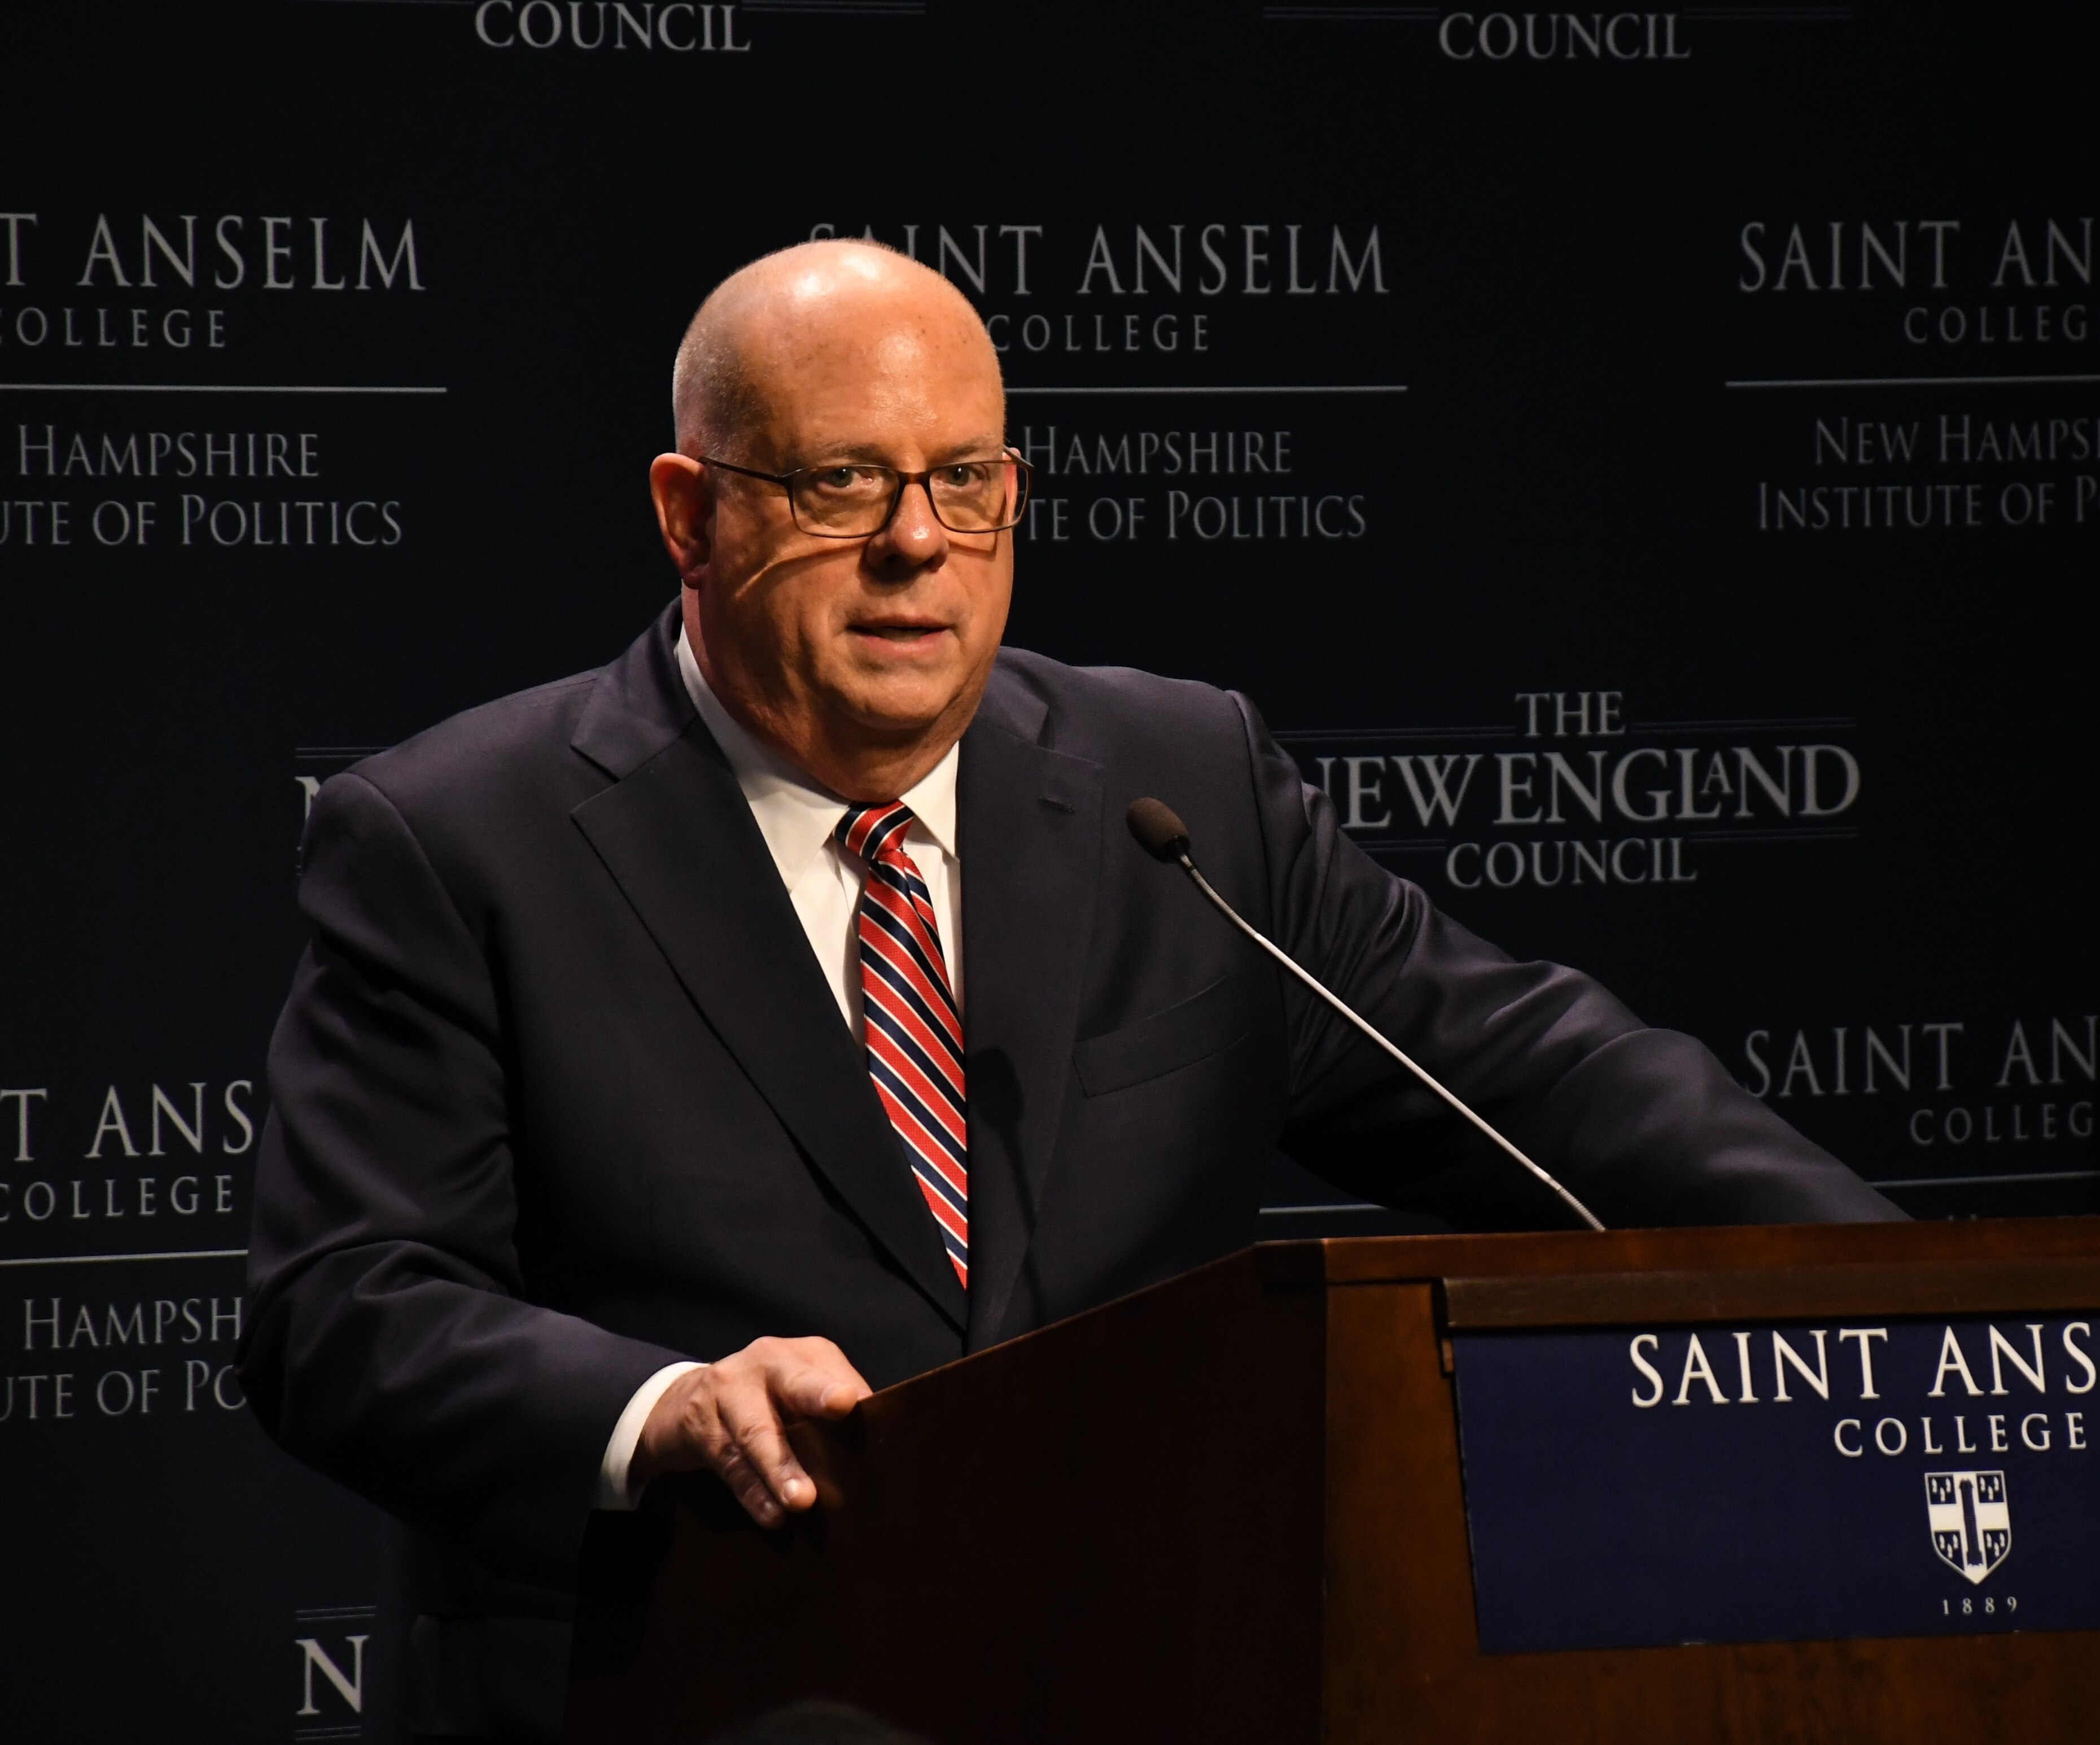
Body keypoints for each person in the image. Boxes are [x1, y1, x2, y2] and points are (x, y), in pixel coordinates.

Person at [242, 239, 1901, 1740]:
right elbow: (341, 1306)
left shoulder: (1179, 787)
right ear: (690, 513)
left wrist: (1931, 1307)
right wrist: (665, 1406)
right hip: (683, 1687)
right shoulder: (461, 840)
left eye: (963, 481)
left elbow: (1538, 1080)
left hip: (1133, 1675)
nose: (916, 543)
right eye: (841, 483)